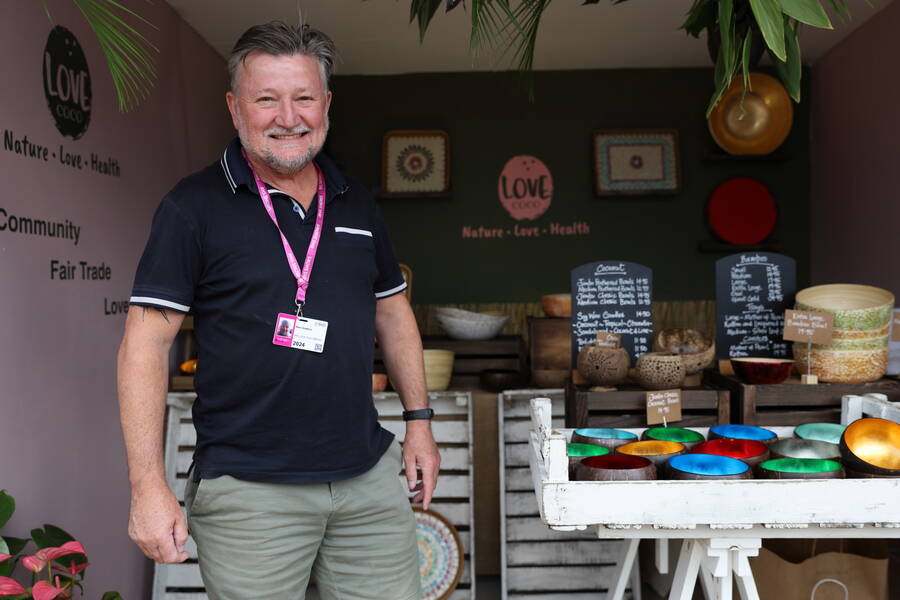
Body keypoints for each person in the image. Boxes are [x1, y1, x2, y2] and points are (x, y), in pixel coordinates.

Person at [116, 21, 439, 600]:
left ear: (327, 105)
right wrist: (146, 486)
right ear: (234, 107)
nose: (288, 117)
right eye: (266, 99)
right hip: (250, 491)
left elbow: (392, 313)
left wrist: (419, 423)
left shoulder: (356, 202)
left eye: (303, 98)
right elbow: (145, 345)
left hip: (366, 482)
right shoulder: (192, 207)